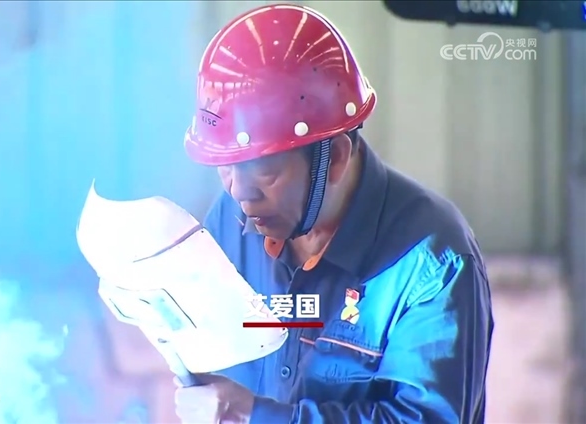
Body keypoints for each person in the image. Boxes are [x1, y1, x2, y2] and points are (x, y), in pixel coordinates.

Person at [174, 4, 494, 424]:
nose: (239, 192)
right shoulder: (231, 221)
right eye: (225, 166)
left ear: (337, 157)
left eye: (264, 170)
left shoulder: (431, 265)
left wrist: (256, 416)